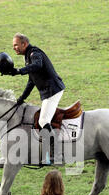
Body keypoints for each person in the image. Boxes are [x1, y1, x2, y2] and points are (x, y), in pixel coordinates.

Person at [8, 32, 66, 163]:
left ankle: (57, 154)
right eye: (13, 46)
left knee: (43, 121)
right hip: (48, 91)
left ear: (25, 44)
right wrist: (21, 99)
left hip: (53, 91)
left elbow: (38, 65)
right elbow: (32, 81)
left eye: (16, 45)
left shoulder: (35, 53)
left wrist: (19, 71)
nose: (14, 48)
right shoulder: (28, 56)